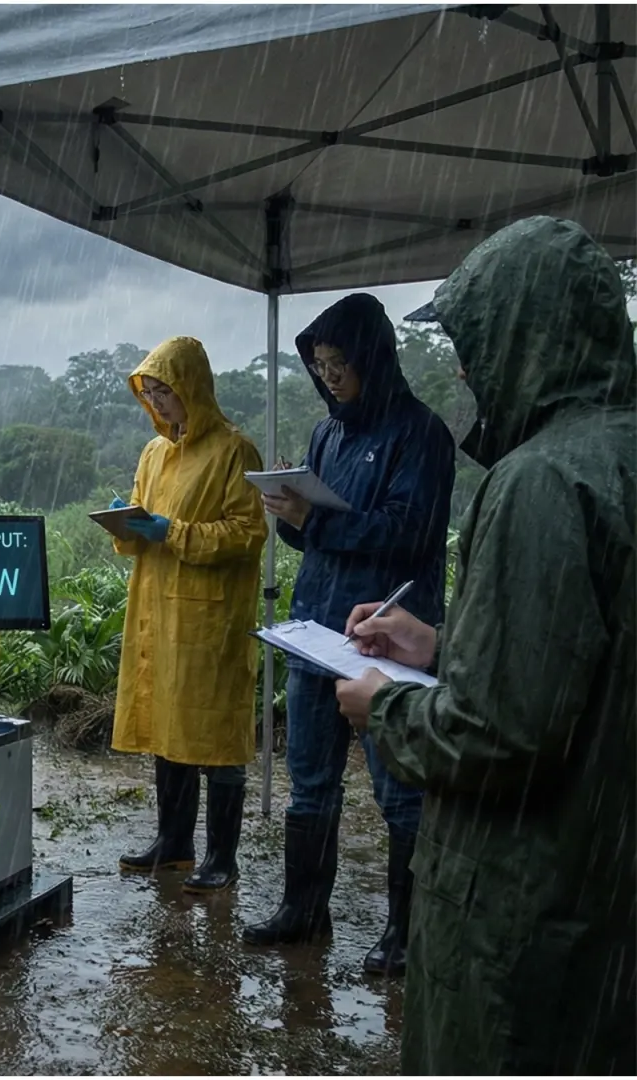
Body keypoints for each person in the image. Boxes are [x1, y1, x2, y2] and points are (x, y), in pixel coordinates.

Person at [335, 216, 635, 1074]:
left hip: (524, 909)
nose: (464, 367)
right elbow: (589, 657)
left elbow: (500, 735)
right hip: (602, 890)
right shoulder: (618, 456)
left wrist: (382, 704)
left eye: (474, 339)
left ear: (526, 334)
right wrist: (445, 642)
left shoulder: (541, 480)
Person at [242, 294, 456, 977]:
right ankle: (304, 910)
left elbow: (409, 535)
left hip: (385, 638)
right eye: (320, 365)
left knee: (401, 790)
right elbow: (313, 538)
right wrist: (288, 512)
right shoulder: (326, 434)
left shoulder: (420, 434)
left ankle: (406, 931)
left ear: (372, 357)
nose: (329, 377)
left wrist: (320, 519)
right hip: (315, 633)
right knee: (310, 782)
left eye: (339, 363)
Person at [110, 336, 267, 892]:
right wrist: (126, 528)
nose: (157, 403)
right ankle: (173, 842)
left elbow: (248, 533)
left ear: (192, 388)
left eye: (165, 392)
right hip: (157, 608)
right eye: (149, 394)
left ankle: (222, 856)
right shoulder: (153, 454)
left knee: (217, 734)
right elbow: (140, 526)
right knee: (166, 725)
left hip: (211, 621)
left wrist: (171, 532)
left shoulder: (233, 451)